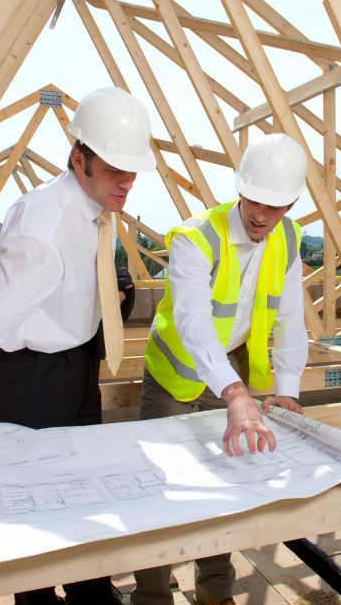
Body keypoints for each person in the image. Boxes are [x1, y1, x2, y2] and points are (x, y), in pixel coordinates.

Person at [0, 86, 154, 605]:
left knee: (82, 489)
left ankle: (91, 590)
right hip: (32, 376)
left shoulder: (93, 206)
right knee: (37, 507)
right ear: (79, 158)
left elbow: (73, 286)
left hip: (76, 365)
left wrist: (109, 292)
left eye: (133, 169)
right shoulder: (43, 228)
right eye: (116, 168)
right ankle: (36, 596)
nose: (127, 182)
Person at [130, 134, 310, 605]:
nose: (261, 216)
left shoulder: (288, 239)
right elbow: (193, 324)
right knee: (161, 487)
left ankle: (213, 594)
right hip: (175, 374)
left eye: (276, 207)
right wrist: (236, 395)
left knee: (225, 481)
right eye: (254, 201)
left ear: (292, 201)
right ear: (239, 187)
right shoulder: (196, 237)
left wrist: (287, 390)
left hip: (229, 371)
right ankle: (150, 595)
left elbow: (293, 319)